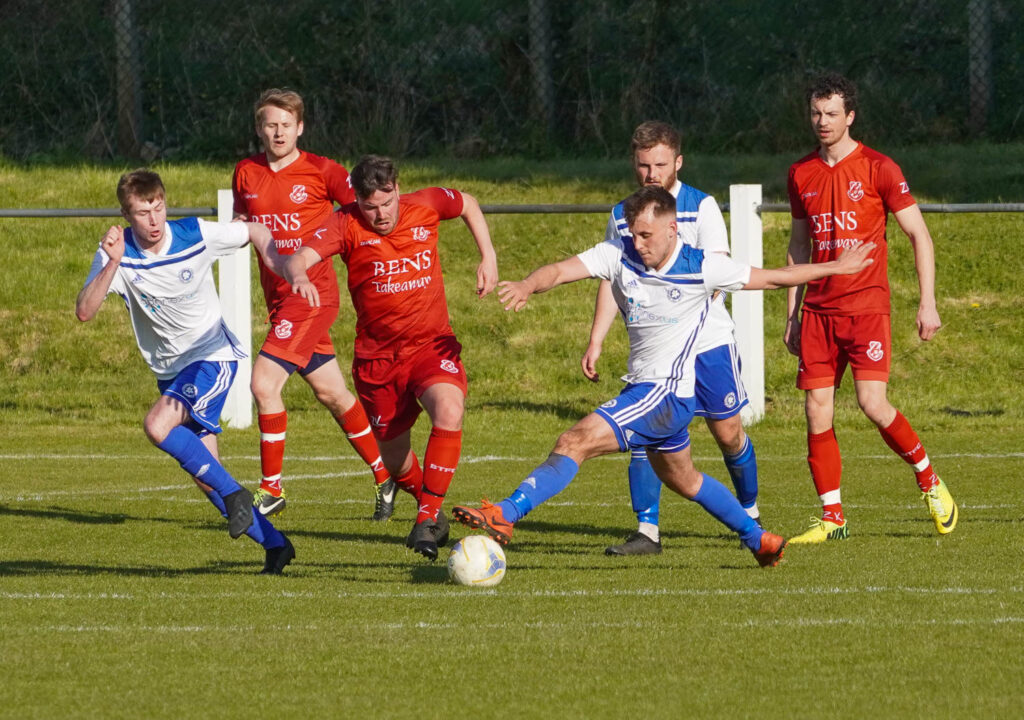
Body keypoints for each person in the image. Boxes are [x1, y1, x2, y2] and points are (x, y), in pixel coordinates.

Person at [453, 186, 876, 567]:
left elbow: (776, 278)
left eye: (646, 236)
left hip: (665, 393)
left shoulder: (701, 266)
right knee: (685, 479)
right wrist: (528, 284)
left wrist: (838, 267)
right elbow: (561, 270)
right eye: (633, 234)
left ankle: (506, 513)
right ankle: (759, 540)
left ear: (673, 229)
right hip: (649, 391)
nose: (638, 244)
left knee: (573, 441)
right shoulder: (618, 253)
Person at [75, 169, 295, 574]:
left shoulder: (194, 233)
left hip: (212, 356)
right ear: (127, 215)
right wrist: (114, 263)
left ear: (165, 204)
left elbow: (255, 229)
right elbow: (85, 311)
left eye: (158, 208)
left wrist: (282, 264)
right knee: (206, 476)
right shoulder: (115, 253)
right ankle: (277, 545)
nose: (154, 220)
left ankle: (237, 496)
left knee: (158, 425)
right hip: (171, 372)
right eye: (143, 213)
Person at [284, 155, 499, 560]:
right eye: (370, 207)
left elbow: (467, 202)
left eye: (387, 203)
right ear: (358, 202)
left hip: (432, 345)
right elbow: (300, 256)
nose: (380, 214)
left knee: (449, 410)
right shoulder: (344, 223)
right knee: (395, 459)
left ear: (398, 190)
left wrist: (487, 255)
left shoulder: (426, 205)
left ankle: (425, 520)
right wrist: (297, 275)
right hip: (378, 360)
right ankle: (430, 509)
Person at [784, 73, 957, 543]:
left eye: (832, 114)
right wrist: (792, 314)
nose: (822, 122)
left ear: (850, 117)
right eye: (816, 113)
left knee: (872, 404)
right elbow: (799, 245)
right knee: (817, 410)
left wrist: (928, 303)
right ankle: (832, 518)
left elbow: (919, 235)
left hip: (866, 307)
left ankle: (929, 480)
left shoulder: (880, 168)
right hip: (818, 311)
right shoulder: (801, 172)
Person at [583, 121, 760, 557]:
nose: (651, 174)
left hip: (708, 342)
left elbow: (717, 273)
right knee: (645, 432)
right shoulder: (622, 215)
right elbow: (613, 277)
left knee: (728, 432)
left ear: (677, 162)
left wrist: (673, 304)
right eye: (643, 165)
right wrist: (597, 338)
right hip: (657, 351)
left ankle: (750, 515)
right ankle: (648, 532)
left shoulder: (701, 207)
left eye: (659, 164)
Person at [233, 88, 392, 521]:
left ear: (300, 128)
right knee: (333, 393)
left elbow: (364, 211)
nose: (278, 132)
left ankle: (271, 489)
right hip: (279, 300)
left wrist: (377, 258)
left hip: (312, 297)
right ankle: (384, 476)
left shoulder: (323, 171)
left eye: (287, 124)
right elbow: (239, 226)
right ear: (259, 128)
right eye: (270, 124)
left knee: (263, 384)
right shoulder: (246, 172)